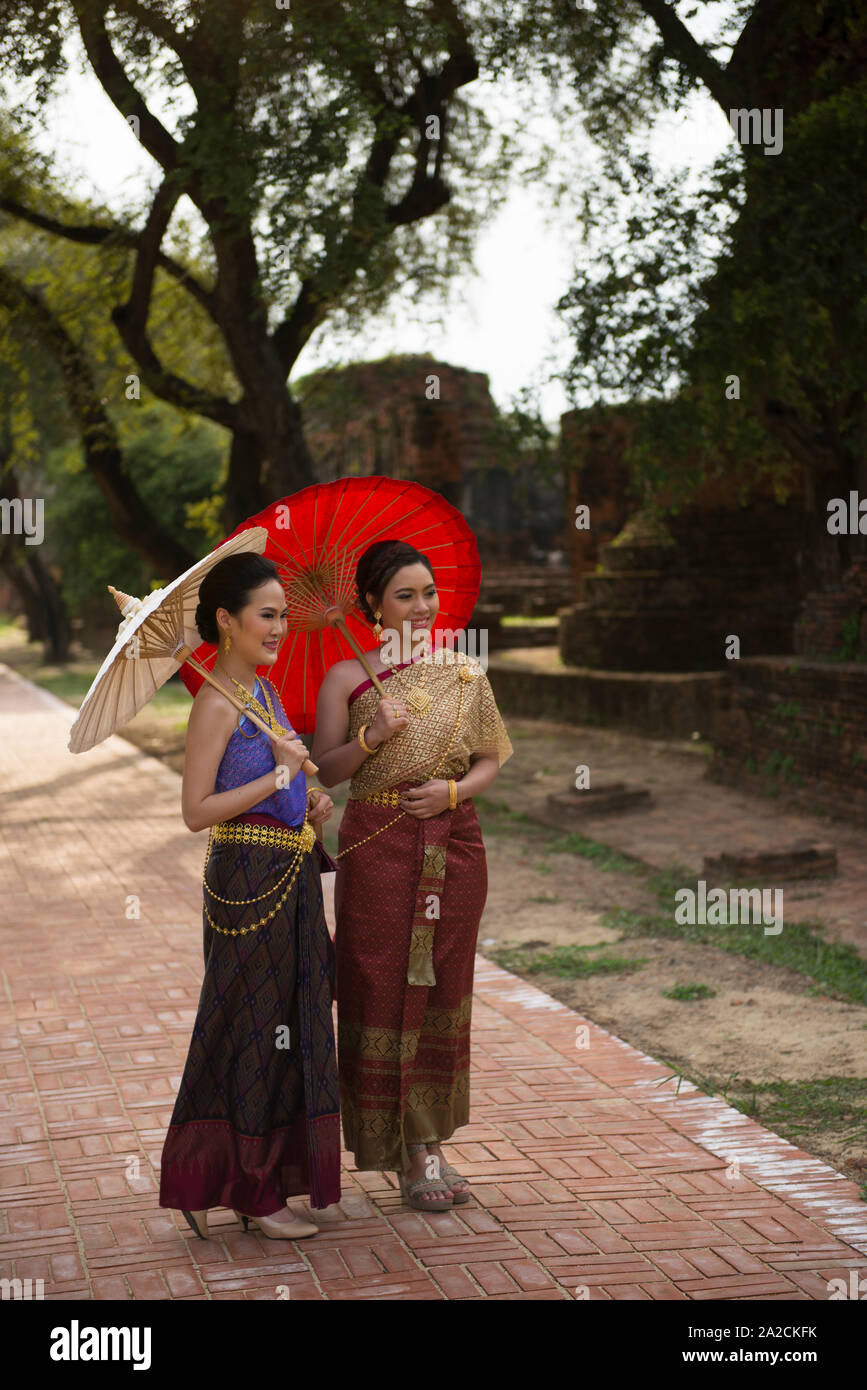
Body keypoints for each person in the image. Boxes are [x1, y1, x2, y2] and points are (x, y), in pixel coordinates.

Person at [311, 539, 513, 1210]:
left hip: (455, 845)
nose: (422, 606)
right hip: (378, 847)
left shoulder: (462, 673)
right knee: (378, 985)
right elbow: (324, 776)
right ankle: (401, 1149)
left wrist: (451, 795)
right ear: (371, 603)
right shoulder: (345, 677)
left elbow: (490, 759)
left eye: (428, 592)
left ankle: (433, 1142)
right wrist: (371, 737)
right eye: (405, 594)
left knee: (442, 985)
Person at [158, 551, 341, 1241]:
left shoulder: (259, 695)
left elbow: (279, 789)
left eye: (283, 616)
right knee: (250, 1029)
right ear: (227, 621)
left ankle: (257, 1182)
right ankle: (250, 1191)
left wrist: (305, 799)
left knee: (290, 1024)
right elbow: (196, 811)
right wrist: (274, 783)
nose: (279, 628)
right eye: (267, 615)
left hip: (289, 875)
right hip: (244, 884)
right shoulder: (213, 703)